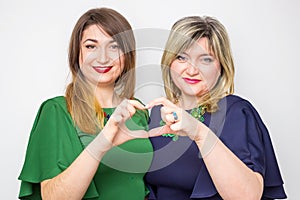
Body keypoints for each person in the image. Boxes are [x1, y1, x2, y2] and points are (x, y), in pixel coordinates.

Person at [18, 7, 154, 200]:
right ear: (77, 53)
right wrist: (103, 142)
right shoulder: (57, 111)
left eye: (114, 46)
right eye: (91, 46)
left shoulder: (137, 110)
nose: (103, 57)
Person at [145, 16, 287, 199]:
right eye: (182, 57)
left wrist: (198, 132)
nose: (191, 70)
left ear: (221, 66)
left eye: (205, 60)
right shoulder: (159, 112)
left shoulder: (236, 112)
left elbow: (248, 196)